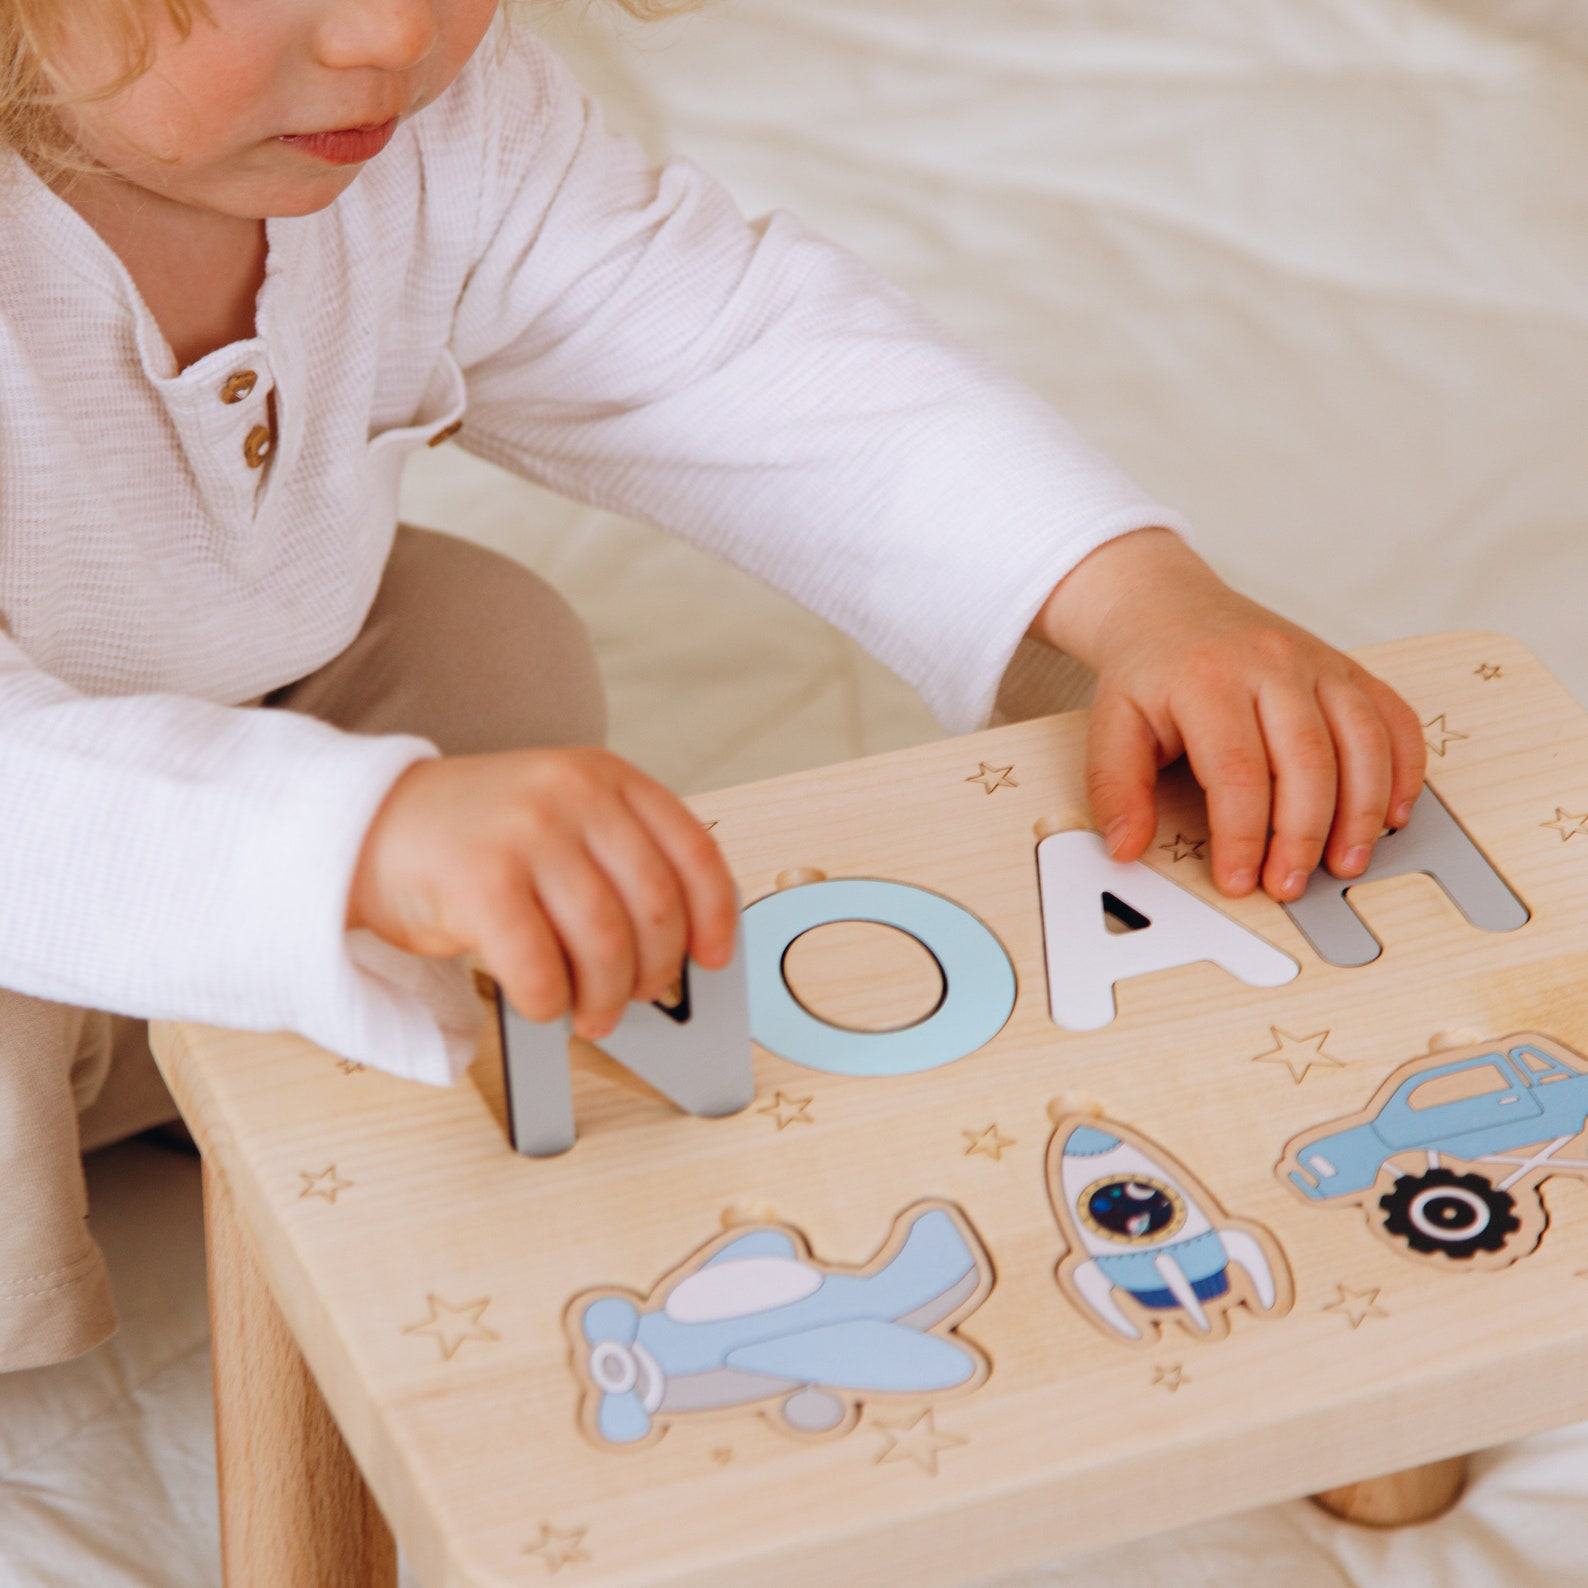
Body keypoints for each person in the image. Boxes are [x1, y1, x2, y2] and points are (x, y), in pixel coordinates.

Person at [0, 0, 1425, 1367]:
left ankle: (240, 1035)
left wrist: (1135, 595)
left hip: (229, 725)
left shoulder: (433, 132)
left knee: (488, 648)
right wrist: (353, 837)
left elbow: (737, 357)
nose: (392, 33)